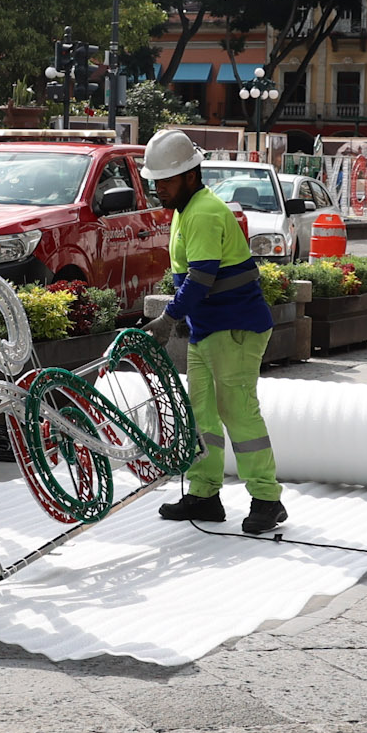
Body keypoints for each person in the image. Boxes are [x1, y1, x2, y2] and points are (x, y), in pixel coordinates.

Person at [141, 130, 285, 534]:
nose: (159, 190)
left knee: (236, 411)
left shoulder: (202, 212)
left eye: (165, 182)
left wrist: (170, 318)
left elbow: (201, 278)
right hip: (211, 328)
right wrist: (187, 318)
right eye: (156, 182)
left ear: (190, 175)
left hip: (235, 327)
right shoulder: (187, 210)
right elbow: (195, 277)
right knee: (201, 413)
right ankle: (204, 495)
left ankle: (267, 499)